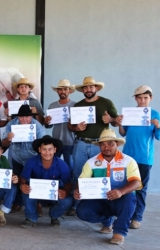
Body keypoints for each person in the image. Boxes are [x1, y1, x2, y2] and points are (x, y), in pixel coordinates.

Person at [74, 129, 141, 245]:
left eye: (110, 143)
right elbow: (82, 181)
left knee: (129, 198)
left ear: (117, 144)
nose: (106, 147)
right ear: (99, 146)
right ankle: (107, 220)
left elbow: (137, 183)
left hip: (121, 199)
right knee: (82, 211)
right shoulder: (91, 162)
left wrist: (121, 191)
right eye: (103, 144)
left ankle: (119, 232)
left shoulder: (128, 161)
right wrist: (78, 190)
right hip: (100, 200)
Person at [67, 76, 118, 215]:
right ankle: (77, 204)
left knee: (99, 174)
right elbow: (70, 125)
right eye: (86, 87)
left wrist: (111, 119)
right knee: (78, 174)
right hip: (81, 143)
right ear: (82, 90)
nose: (88, 89)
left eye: (91, 87)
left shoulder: (106, 103)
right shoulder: (78, 105)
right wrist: (76, 128)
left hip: (99, 144)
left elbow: (117, 122)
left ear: (96, 88)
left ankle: (100, 206)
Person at [116, 85, 160, 229]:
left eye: (145, 98)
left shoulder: (155, 114)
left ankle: (137, 217)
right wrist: (119, 124)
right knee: (125, 186)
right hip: (127, 157)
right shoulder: (130, 114)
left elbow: (159, 136)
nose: (142, 101)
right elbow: (123, 133)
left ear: (151, 98)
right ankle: (125, 213)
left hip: (144, 158)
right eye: (140, 98)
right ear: (135, 98)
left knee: (141, 188)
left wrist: (158, 126)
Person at [19, 136, 73, 228]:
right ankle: (31, 218)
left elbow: (68, 184)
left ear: (55, 150)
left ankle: (54, 216)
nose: (47, 153)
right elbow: (23, 178)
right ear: (39, 150)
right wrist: (22, 185)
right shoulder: (31, 162)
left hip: (53, 194)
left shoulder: (62, 164)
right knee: (25, 191)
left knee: (68, 200)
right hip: (35, 193)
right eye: (44, 149)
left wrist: (65, 192)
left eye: (50, 149)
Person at [2, 104, 46, 211]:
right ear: (18, 117)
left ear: (31, 117)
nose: (24, 119)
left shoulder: (37, 126)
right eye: (22, 117)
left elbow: (44, 143)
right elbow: (3, 143)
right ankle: (17, 202)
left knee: (34, 180)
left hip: (33, 158)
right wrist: (8, 139)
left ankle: (37, 204)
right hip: (16, 157)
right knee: (16, 180)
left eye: (27, 116)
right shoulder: (11, 124)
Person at [44, 79, 76, 174]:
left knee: (69, 167)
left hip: (70, 142)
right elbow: (48, 127)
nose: (63, 91)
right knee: (53, 167)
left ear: (69, 91)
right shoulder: (52, 106)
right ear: (57, 91)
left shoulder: (75, 105)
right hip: (55, 142)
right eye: (60, 89)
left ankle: (69, 187)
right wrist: (46, 122)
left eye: (65, 89)